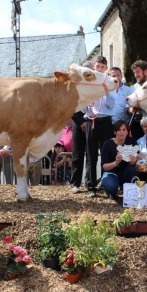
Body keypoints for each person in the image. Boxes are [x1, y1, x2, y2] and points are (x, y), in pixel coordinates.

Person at [84, 56, 116, 197]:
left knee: (106, 154)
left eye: (103, 67)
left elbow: (112, 105)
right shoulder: (88, 83)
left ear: (106, 68)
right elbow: (81, 103)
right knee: (91, 155)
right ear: (94, 67)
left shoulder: (110, 82)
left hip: (106, 121)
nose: (100, 69)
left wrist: (107, 91)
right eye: (98, 66)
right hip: (92, 121)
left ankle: (105, 184)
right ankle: (91, 186)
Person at [100, 120, 139, 202]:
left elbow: (135, 161)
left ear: (127, 131)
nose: (121, 132)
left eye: (124, 130)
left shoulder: (132, 141)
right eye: (119, 130)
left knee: (134, 170)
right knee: (111, 185)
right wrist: (116, 162)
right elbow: (104, 167)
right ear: (115, 132)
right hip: (111, 172)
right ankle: (111, 192)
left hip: (126, 172)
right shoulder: (107, 144)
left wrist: (133, 161)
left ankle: (130, 193)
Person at [69, 61, 93, 194]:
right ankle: (75, 183)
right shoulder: (75, 86)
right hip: (79, 122)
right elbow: (71, 106)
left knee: (90, 154)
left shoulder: (95, 86)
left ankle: (89, 183)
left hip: (92, 121)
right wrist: (80, 122)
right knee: (77, 153)